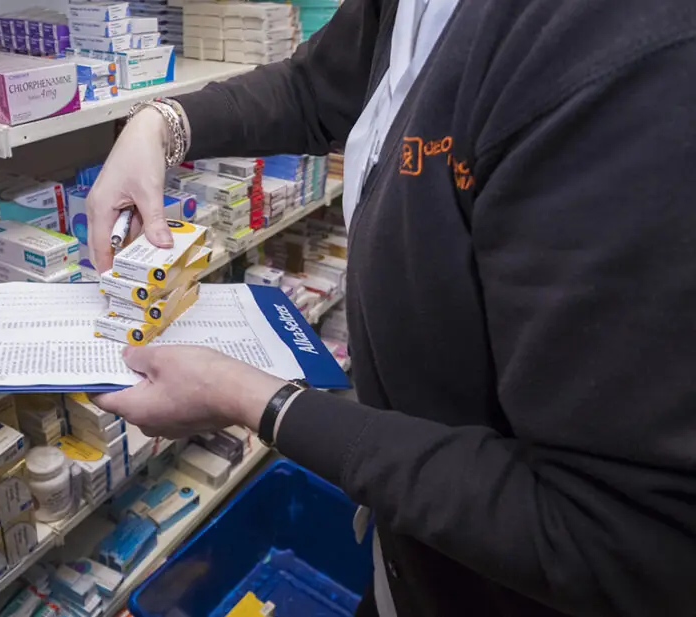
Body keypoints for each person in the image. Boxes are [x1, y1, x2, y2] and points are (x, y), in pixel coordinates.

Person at [86, 0, 696, 615]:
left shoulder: (625, 50)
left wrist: (255, 400)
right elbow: (315, 87)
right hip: (409, 557)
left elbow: (618, 537)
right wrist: (161, 123)